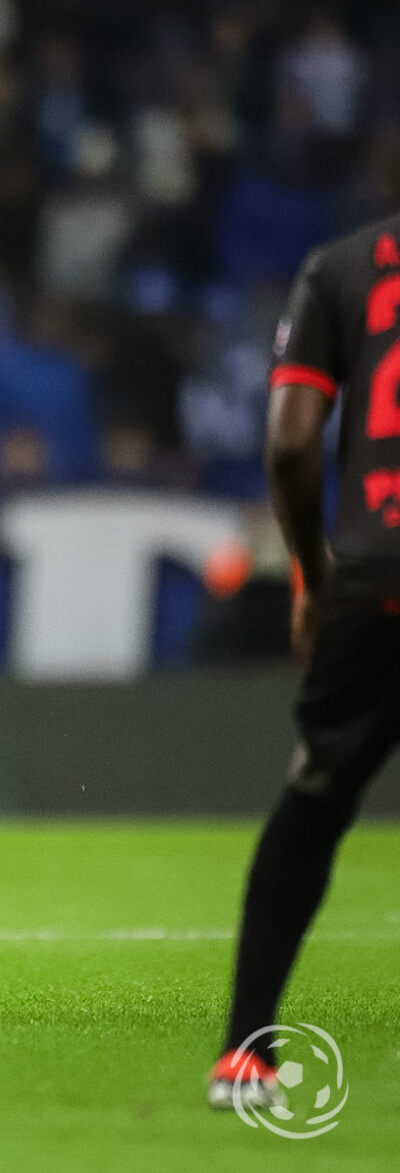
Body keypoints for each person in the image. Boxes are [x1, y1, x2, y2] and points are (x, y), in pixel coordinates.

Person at [209, 213, 400, 1107]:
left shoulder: (343, 267)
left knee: (318, 790)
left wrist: (315, 581)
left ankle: (245, 1053)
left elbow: (291, 440)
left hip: (372, 577)